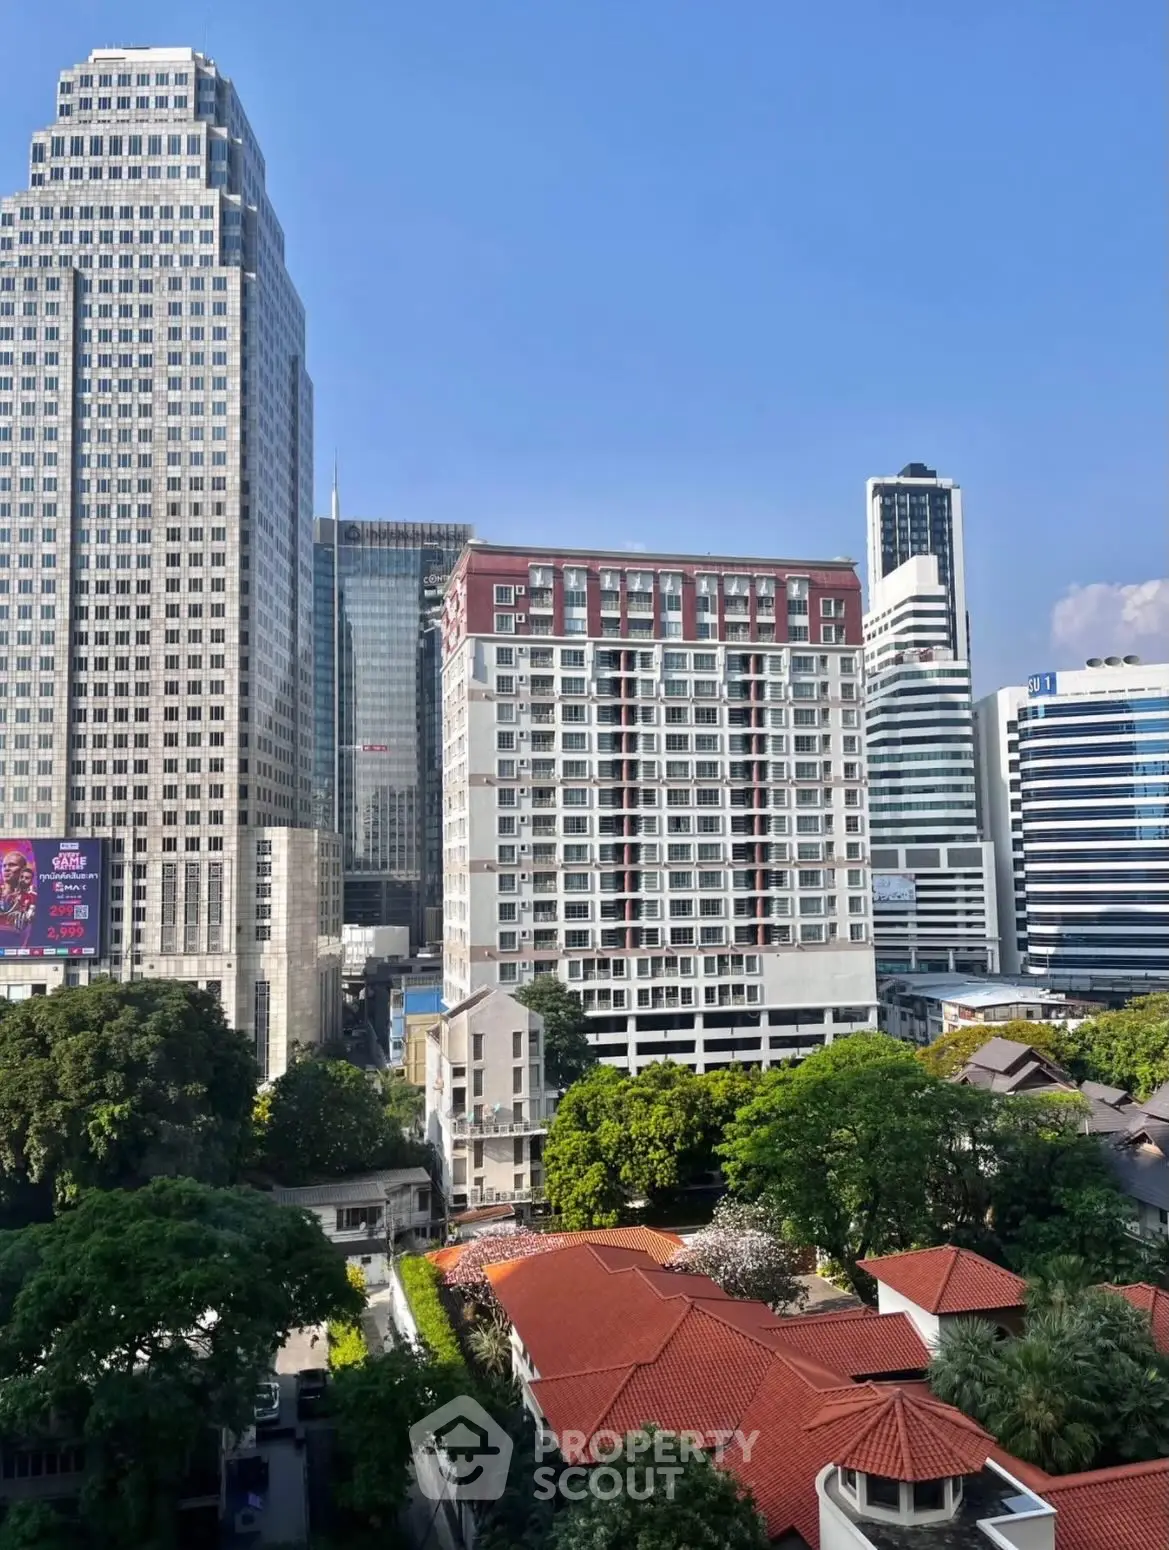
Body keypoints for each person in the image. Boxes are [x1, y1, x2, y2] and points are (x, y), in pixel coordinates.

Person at [0, 850, 37, 933]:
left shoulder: (32, 897)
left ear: (23, 869)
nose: (6, 869)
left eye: (12, 865)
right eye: (4, 866)